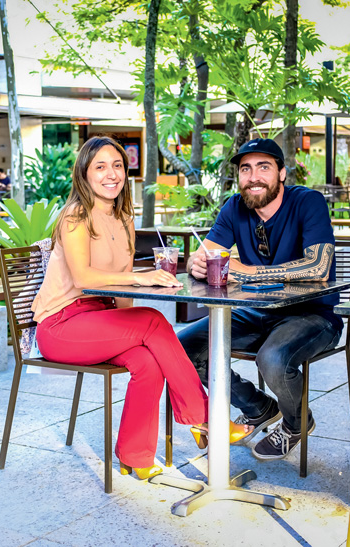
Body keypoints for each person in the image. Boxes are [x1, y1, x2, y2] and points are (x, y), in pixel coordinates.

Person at [31, 136, 231, 480]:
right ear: (84, 173)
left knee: (148, 358)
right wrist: (143, 279)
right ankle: (204, 417)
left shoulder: (123, 218)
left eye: (118, 166)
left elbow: (121, 285)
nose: (112, 174)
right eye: (100, 166)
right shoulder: (75, 216)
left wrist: (133, 321)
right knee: (153, 321)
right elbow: (82, 277)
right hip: (61, 326)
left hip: (99, 321)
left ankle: (134, 456)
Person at [178, 138, 341, 462]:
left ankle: (296, 423)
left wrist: (250, 274)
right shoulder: (234, 208)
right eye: (246, 169)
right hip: (255, 312)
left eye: (263, 167)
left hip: (312, 315)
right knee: (182, 347)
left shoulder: (308, 202)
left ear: (281, 173)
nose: (254, 176)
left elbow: (320, 267)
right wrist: (196, 264)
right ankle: (257, 406)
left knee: (274, 359)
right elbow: (204, 255)